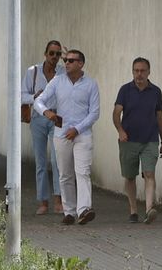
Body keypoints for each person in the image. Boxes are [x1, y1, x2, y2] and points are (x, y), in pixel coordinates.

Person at [34, 48, 100, 225]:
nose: (67, 63)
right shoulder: (57, 81)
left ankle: (84, 209)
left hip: (82, 134)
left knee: (83, 171)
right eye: (66, 60)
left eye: (71, 60)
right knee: (64, 174)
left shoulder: (91, 84)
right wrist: (47, 112)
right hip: (61, 134)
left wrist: (77, 129)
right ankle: (69, 212)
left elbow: (94, 113)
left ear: (81, 63)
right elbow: (38, 101)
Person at [113, 56, 162, 223]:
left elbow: (159, 117)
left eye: (143, 71)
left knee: (149, 173)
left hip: (150, 139)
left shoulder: (156, 91)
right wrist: (120, 131)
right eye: (136, 71)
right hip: (128, 140)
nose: (139, 74)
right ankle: (133, 210)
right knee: (130, 176)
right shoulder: (125, 90)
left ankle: (149, 209)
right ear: (132, 72)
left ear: (149, 72)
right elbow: (116, 113)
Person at [21, 40, 64, 214]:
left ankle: (58, 201)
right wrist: (33, 97)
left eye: (58, 54)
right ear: (45, 54)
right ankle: (43, 202)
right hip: (38, 118)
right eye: (51, 53)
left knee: (56, 160)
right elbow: (21, 95)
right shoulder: (33, 72)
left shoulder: (63, 72)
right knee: (40, 162)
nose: (54, 57)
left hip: (56, 117)